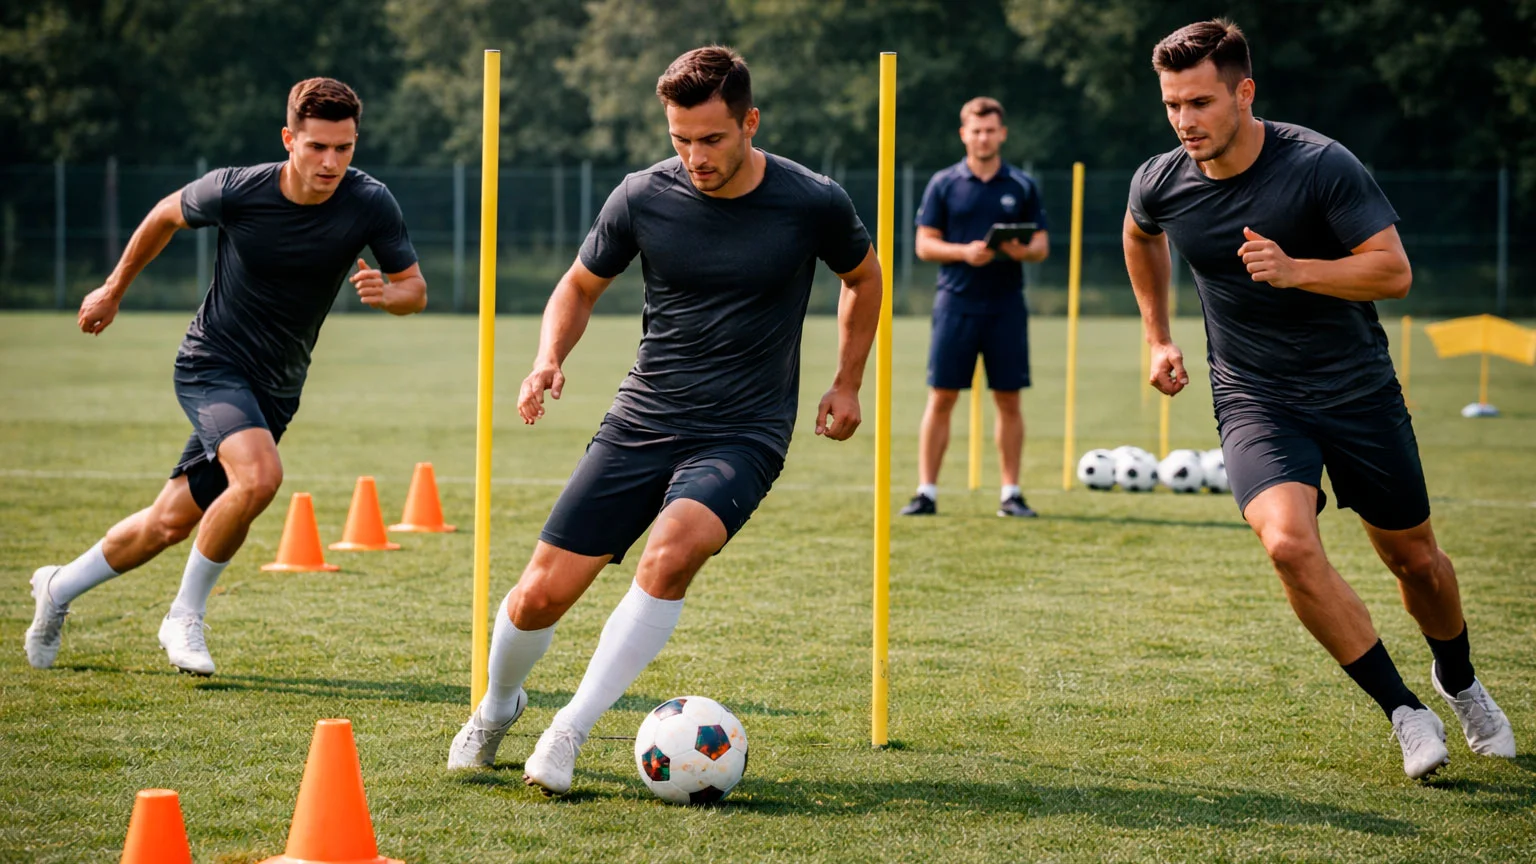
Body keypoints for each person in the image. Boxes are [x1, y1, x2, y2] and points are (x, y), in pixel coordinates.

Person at [447, 45, 881, 796]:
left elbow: (863, 277)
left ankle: (568, 731)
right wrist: (549, 356)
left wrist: (847, 382)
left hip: (745, 430)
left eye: (711, 138)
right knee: (538, 597)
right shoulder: (641, 196)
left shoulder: (813, 201)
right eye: (679, 139)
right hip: (643, 418)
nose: (693, 156)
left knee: (671, 553)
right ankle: (498, 705)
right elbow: (578, 287)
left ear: (749, 123)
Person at [1122, 19, 1514, 779]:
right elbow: (1141, 235)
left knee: (1415, 562)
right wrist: (1158, 336)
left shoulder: (1320, 164)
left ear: (1244, 92)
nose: (1184, 122)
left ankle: (1459, 681)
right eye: (1171, 105)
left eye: (1199, 102)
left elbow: (1392, 272)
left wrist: (1299, 269)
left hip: (1357, 389)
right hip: (1255, 396)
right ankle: (1404, 710)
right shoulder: (1160, 179)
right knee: (1287, 544)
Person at [23, 78, 426, 676]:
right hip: (212, 363)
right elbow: (164, 214)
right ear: (289, 139)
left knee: (167, 523)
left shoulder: (370, 202)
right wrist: (112, 289)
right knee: (260, 477)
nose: (332, 162)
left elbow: (415, 290)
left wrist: (387, 294)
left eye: (344, 148)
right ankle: (184, 616)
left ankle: (57, 588)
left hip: (277, 387)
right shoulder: (238, 189)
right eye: (317, 146)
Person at [900, 97, 1049, 519]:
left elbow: (1041, 245)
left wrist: (1020, 249)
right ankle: (926, 491)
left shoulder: (1020, 184)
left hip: (1005, 306)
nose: (983, 137)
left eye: (990, 130)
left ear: (1002, 134)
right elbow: (924, 244)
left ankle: (1010, 494)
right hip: (955, 303)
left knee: (1008, 400)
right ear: (964, 134)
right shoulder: (944, 183)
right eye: (976, 130)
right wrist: (964, 252)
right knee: (942, 397)